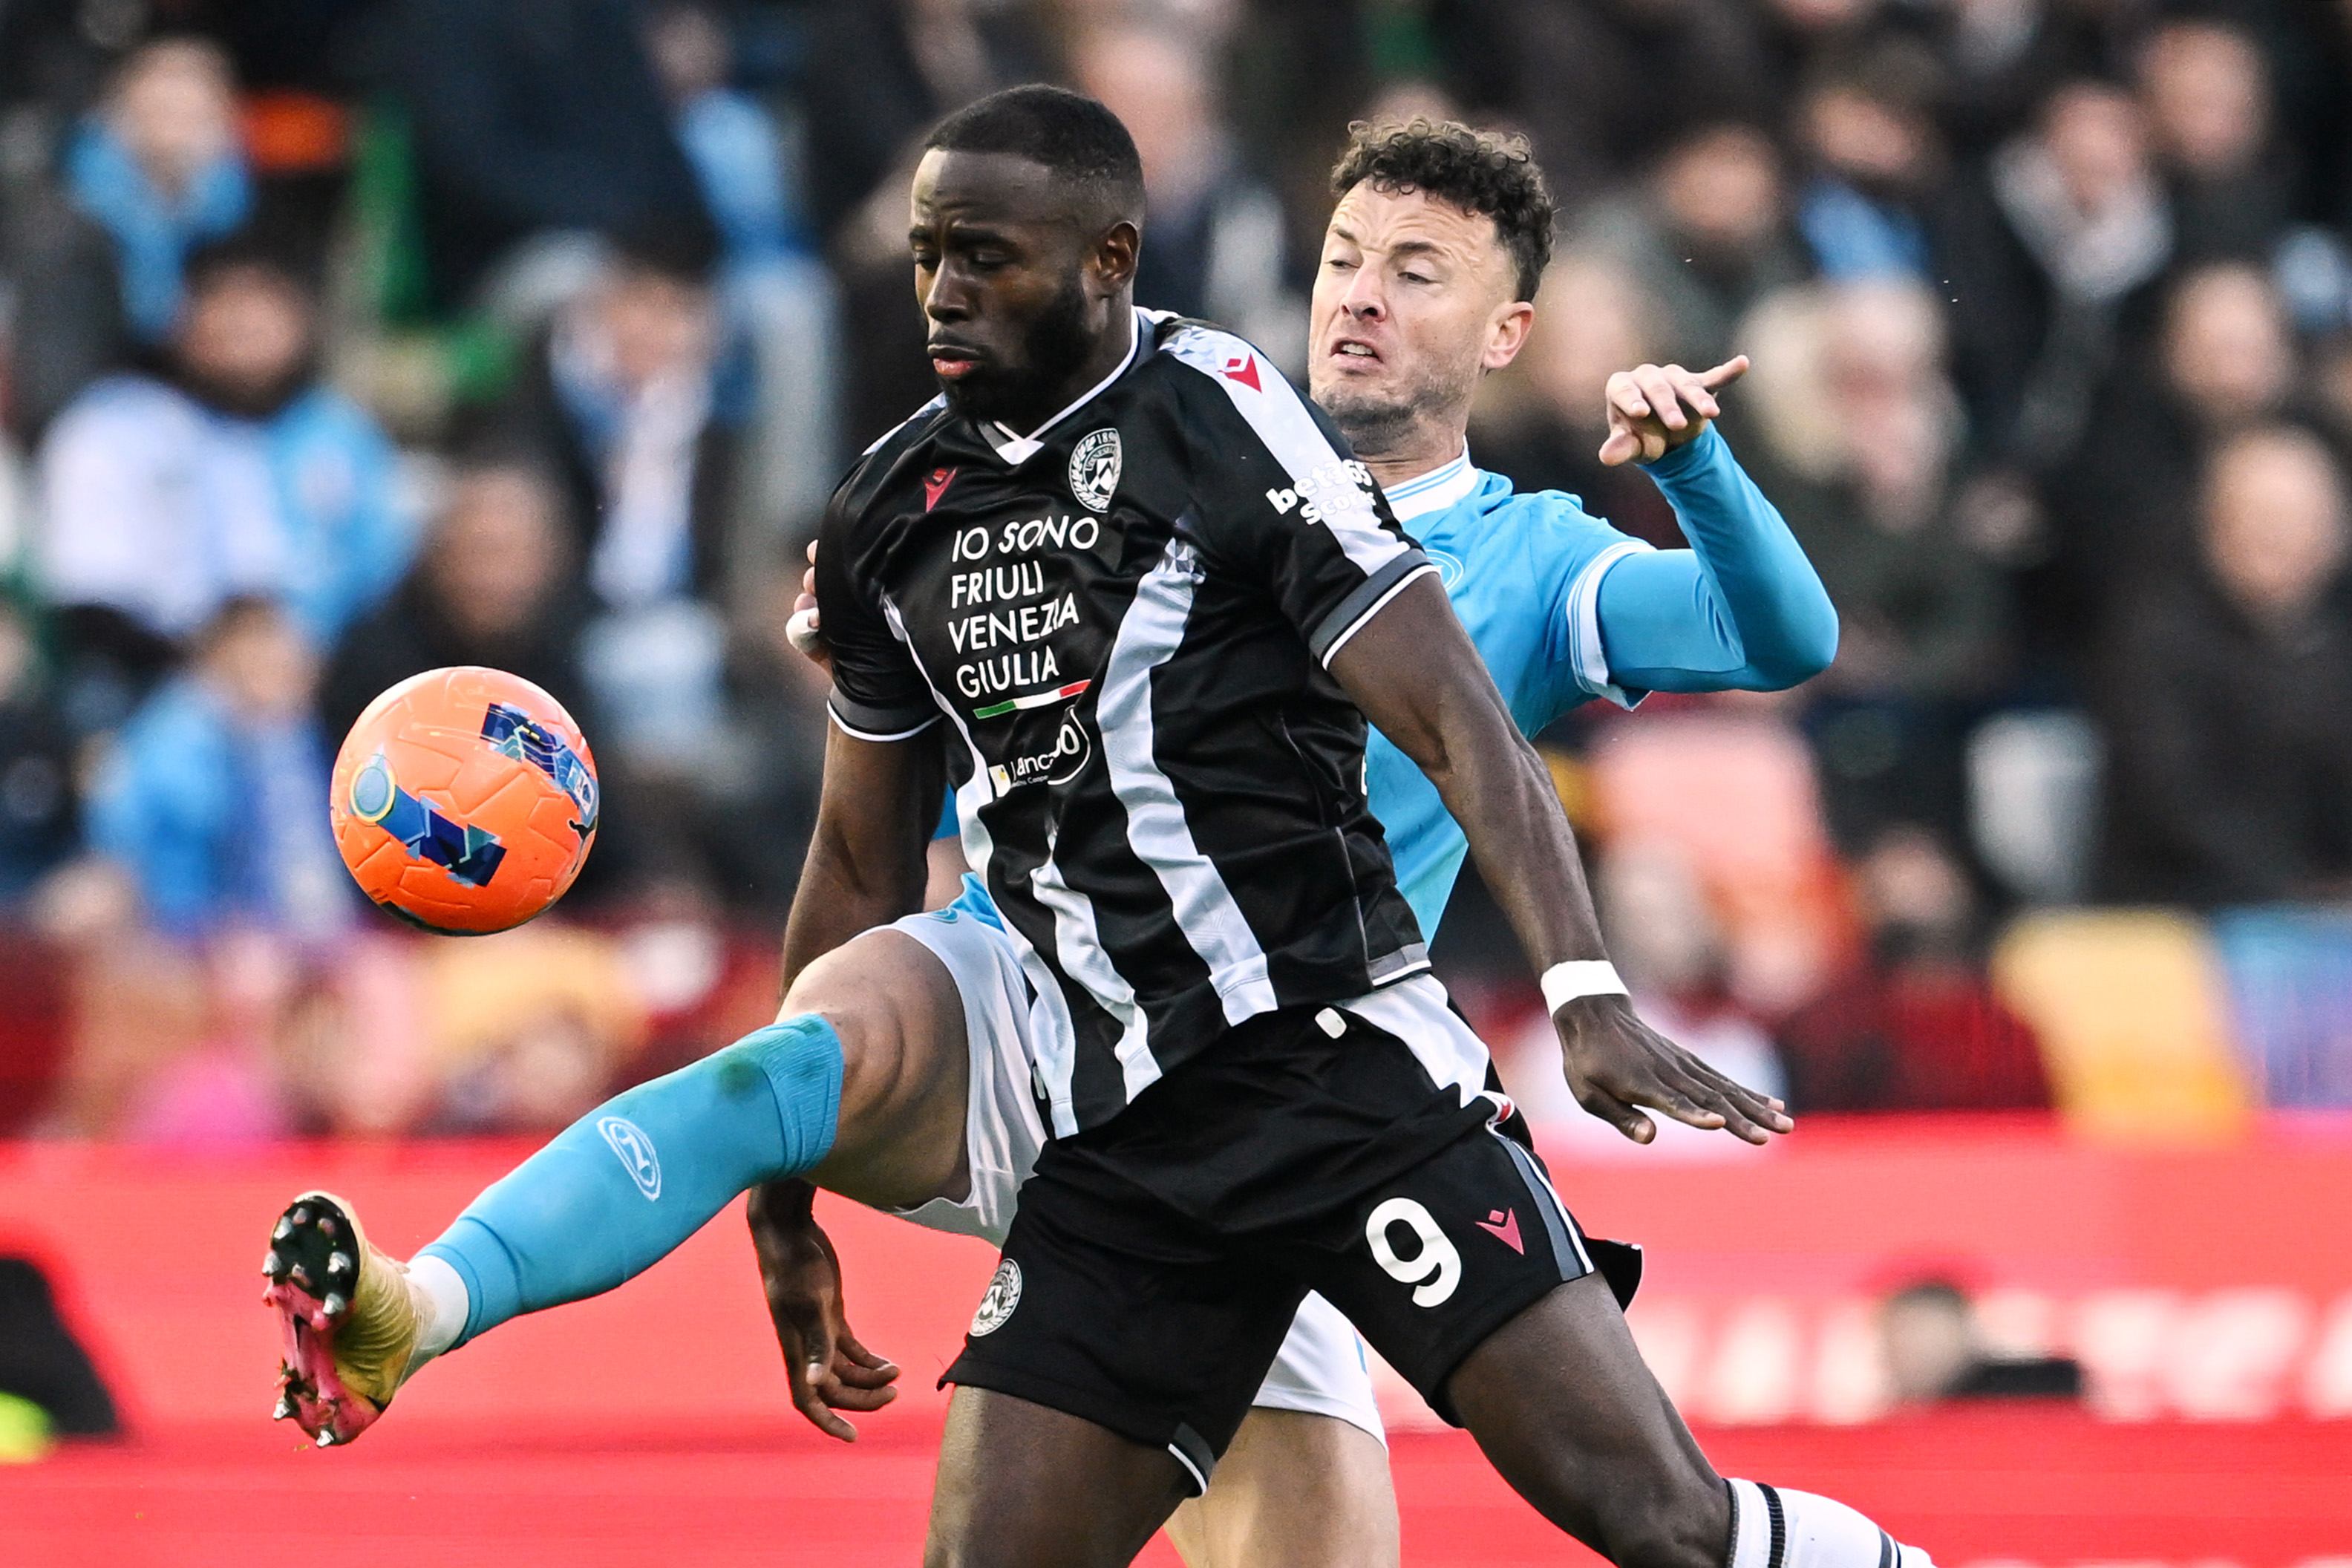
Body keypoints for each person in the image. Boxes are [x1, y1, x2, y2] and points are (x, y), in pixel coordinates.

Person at [258, 98, 1916, 1568]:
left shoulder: (1461, 535)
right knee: (794, 1066)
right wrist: (788, 1189)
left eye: (1416, 272)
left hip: (1319, 1061)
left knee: (1641, 1523)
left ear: (1507, 334)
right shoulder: (961, 492)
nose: (1360, 294)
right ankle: (425, 1301)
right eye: (1346, 256)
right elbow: (869, 844)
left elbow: (1748, 648)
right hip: (1051, 1022)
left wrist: (1586, 978)